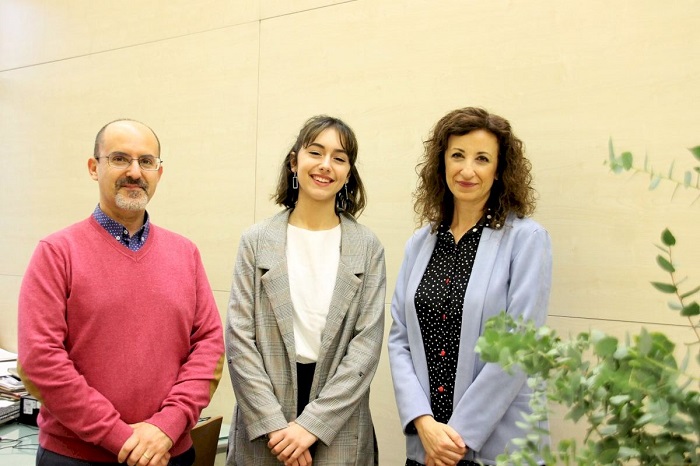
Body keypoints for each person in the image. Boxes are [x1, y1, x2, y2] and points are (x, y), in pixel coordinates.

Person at [17, 119, 225, 466]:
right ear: (93, 167)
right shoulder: (56, 252)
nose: (134, 171)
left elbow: (209, 347)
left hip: (169, 452)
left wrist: (167, 426)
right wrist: (121, 437)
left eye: (146, 161)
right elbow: (41, 362)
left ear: (159, 172)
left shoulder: (185, 253)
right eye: (119, 159)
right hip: (77, 457)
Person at [388, 107, 552, 466]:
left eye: (482, 158)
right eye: (457, 156)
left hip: (497, 447)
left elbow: (517, 348)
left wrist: (453, 439)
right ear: (441, 163)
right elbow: (399, 338)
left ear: (499, 170)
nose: (467, 170)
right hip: (427, 444)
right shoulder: (421, 243)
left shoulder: (527, 240)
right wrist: (424, 425)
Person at [226, 115, 386, 466]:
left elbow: (366, 347)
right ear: (295, 160)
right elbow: (239, 340)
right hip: (266, 423)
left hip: (338, 420)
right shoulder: (256, 241)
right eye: (316, 152)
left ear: (348, 172)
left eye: (339, 158)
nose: (326, 165)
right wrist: (275, 427)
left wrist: (311, 426)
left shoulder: (367, 246)